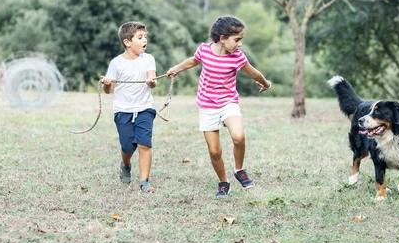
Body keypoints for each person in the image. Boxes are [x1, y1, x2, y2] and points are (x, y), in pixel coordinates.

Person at [166, 16, 271, 198]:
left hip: (228, 102)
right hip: (207, 106)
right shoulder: (204, 50)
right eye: (236, 40)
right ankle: (224, 182)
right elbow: (192, 61)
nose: (239, 44)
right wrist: (176, 68)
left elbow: (253, 72)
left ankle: (239, 170)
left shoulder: (237, 57)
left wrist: (266, 83)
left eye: (241, 40)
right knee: (215, 151)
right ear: (223, 38)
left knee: (238, 137)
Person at [101, 21, 157, 193]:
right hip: (122, 111)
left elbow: (152, 81)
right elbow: (108, 90)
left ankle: (144, 182)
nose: (144, 40)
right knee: (128, 146)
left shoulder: (148, 59)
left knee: (144, 144)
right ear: (127, 42)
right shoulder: (116, 63)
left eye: (145, 37)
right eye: (140, 37)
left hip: (144, 109)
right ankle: (125, 164)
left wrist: (151, 82)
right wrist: (106, 83)